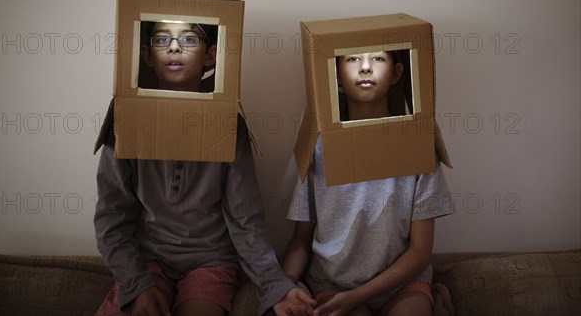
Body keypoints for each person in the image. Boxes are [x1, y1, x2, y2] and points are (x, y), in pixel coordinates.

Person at [94, 21, 316, 316]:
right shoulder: (126, 122)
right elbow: (112, 218)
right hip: (147, 258)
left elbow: (245, 219)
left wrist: (275, 285)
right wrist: (137, 283)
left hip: (211, 260)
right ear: (147, 55)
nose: (174, 47)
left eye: (188, 39)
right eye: (162, 40)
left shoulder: (230, 127)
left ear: (210, 56)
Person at [282, 50, 454, 316]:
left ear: (396, 73)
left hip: (402, 284)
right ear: (336, 77)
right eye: (352, 59)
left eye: (378, 58)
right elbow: (301, 239)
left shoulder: (417, 146)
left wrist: (358, 296)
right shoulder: (318, 148)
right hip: (333, 283)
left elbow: (420, 250)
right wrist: (286, 284)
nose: (365, 67)